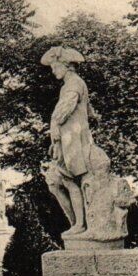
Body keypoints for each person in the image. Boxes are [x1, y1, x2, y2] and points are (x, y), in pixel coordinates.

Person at [41, 46, 97, 236]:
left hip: (74, 141)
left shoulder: (73, 84)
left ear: (66, 66)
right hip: (70, 140)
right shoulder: (72, 84)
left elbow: (64, 109)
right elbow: (90, 112)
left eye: (55, 67)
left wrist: (54, 124)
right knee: (59, 183)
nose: (53, 71)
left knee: (71, 181)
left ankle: (80, 224)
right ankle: (78, 224)